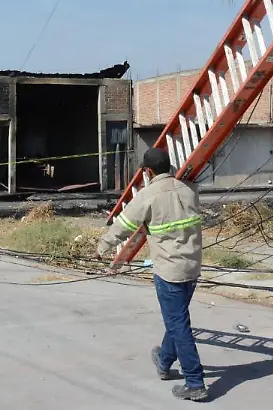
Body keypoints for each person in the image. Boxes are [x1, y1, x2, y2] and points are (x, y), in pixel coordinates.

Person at [98, 148, 208, 402]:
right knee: (177, 318)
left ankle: (195, 381)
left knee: (178, 324)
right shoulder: (189, 190)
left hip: (169, 271)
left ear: (147, 172)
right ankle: (164, 360)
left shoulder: (148, 196)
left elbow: (123, 226)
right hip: (192, 267)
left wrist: (102, 246)